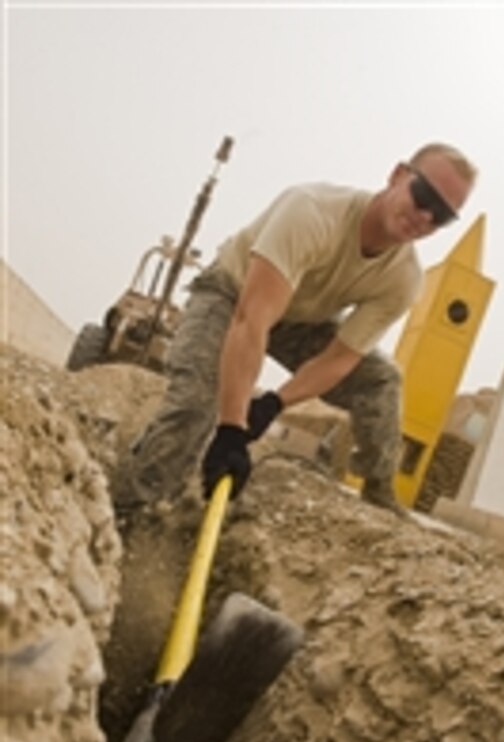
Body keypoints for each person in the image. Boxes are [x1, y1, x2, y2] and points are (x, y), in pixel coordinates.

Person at [114, 142, 476, 519]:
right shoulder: (312, 211)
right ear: (398, 176)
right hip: (233, 294)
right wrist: (232, 429)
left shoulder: (403, 281)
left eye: (441, 217)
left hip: (301, 320)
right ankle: (132, 507)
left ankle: (378, 496)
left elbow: (340, 358)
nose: (424, 216)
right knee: (199, 399)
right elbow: (250, 319)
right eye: (423, 196)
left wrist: (273, 404)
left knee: (383, 379)